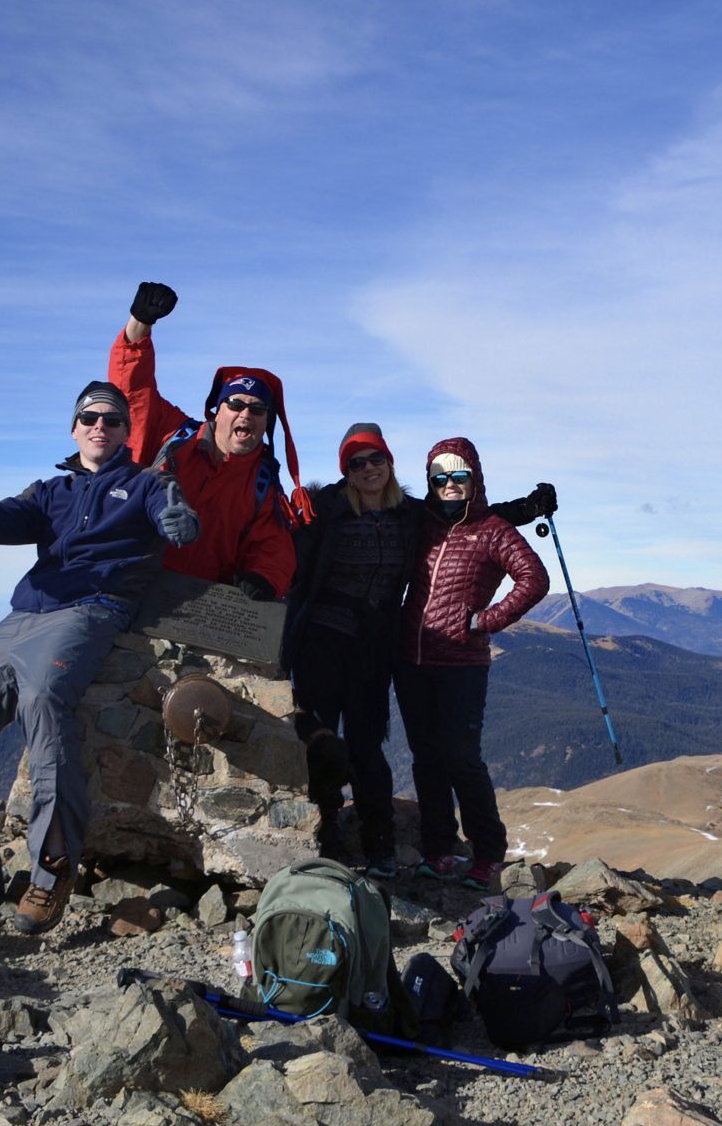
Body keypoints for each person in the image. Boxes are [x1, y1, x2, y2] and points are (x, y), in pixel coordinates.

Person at [0, 383, 199, 935]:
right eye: (89, 417)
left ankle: (51, 869)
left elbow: (171, 513)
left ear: (124, 431)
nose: (99, 426)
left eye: (112, 419)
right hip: (23, 615)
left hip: (90, 609)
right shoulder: (52, 491)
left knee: (42, 700)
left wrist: (179, 521)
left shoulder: (145, 484)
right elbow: (1, 517)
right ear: (74, 427)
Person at [285, 424, 555, 881]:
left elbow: (474, 520)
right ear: (345, 471)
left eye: (376, 459)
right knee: (332, 743)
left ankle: (396, 848)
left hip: (389, 651)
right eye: (357, 462)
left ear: (390, 464)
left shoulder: (409, 513)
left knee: (388, 750)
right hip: (337, 647)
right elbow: (285, 543)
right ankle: (340, 842)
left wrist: (525, 512)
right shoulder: (331, 509)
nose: (368, 468)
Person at [394, 438, 549, 892]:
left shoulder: (494, 530)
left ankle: (487, 855)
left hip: (462, 661)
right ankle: (439, 850)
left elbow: (533, 579)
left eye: (458, 476)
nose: (448, 485)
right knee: (426, 758)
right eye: (438, 478)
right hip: (410, 659)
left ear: (474, 478)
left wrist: (486, 620)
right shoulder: (422, 522)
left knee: (462, 758)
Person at [107, 280, 302, 600]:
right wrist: (139, 326)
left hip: (201, 605)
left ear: (267, 421)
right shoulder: (175, 435)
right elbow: (132, 392)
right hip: (134, 588)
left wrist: (265, 577)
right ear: (216, 411)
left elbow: (272, 544)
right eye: (236, 404)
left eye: (257, 409)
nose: (246, 414)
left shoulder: (263, 482)